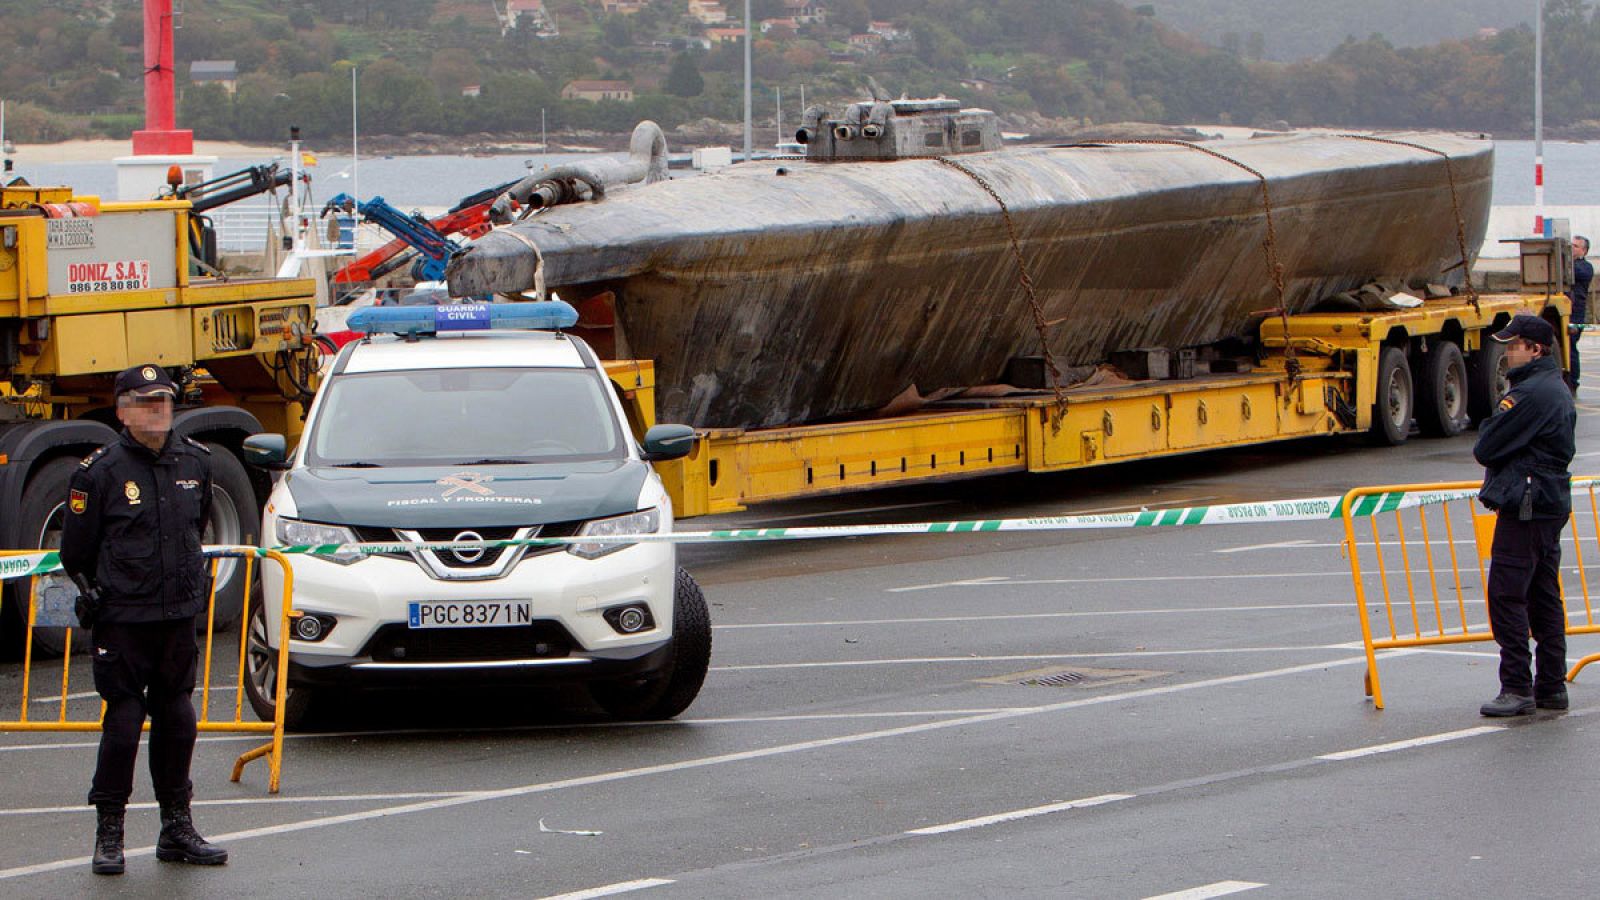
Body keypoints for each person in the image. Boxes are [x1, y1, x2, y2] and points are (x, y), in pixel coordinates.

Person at [59, 365, 230, 875]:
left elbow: (194, 528)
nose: (156, 409)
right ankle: (109, 832)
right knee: (125, 720)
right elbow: (77, 552)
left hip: (176, 615)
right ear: (122, 410)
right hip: (124, 618)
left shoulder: (195, 463)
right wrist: (104, 593)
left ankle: (176, 827)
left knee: (178, 719)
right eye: (144, 401)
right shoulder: (98, 472)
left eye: (163, 401)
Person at [1473, 315, 1577, 717]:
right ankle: (1551, 685)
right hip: (1548, 501)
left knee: (1507, 592)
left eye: (1514, 344)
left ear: (1536, 349)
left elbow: (1488, 445)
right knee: (1543, 595)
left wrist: (1492, 426)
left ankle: (1516, 686)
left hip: (1529, 503)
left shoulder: (1530, 394)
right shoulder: (1555, 387)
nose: (1508, 351)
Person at [1566, 235, 1591, 393]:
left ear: (1584, 251)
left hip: (1577, 316)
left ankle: (1573, 382)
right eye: (1571, 245)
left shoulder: (1585, 268)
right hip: (1568, 312)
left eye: (1575, 246)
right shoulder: (1570, 265)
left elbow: (1571, 272)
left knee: (1571, 346)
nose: (1572, 248)